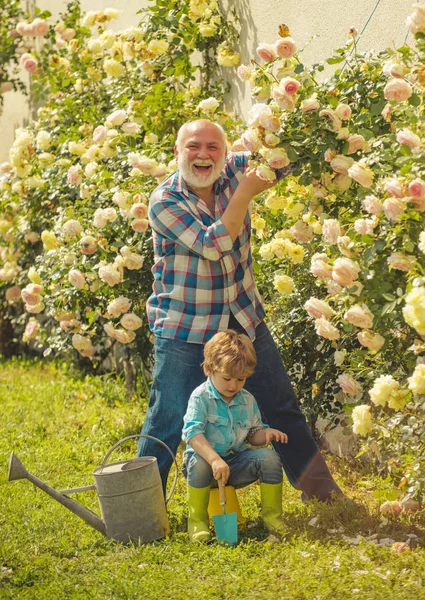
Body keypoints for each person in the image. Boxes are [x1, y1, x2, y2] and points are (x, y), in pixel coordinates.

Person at [136, 118, 343, 503]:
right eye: (193, 146)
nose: (203, 154)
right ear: (177, 152)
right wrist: (246, 193)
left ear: (226, 153)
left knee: (280, 404)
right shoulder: (165, 201)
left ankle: (321, 493)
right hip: (185, 323)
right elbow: (215, 244)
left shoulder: (233, 170)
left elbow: (286, 156)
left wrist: (288, 123)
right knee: (167, 418)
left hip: (241, 315)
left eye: (213, 147)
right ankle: (141, 508)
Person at [182, 329, 288, 542]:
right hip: (203, 468)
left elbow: (252, 434)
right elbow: (192, 434)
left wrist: (265, 434)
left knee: (270, 458)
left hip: (234, 465)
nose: (233, 385)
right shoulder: (201, 397)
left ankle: (272, 518)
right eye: (227, 378)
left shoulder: (246, 400)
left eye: (240, 379)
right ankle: (198, 522)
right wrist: (214, 460)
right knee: (200, 463)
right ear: (209, 369)